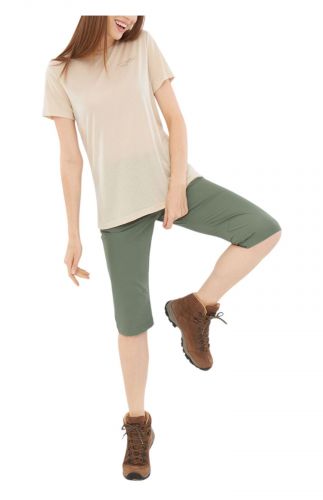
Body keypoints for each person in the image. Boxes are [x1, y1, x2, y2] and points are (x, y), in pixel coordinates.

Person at [42, 15, 282, 481]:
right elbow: (70, 159)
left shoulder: (143, 46)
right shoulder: (60, 73)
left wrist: (175, 186)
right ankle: (138, 425)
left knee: (263, 230)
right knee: (131, 322)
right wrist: (73, 232)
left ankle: (195, 307)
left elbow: (175, 118)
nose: (130, 16)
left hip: (172, 183)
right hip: (118, 207)